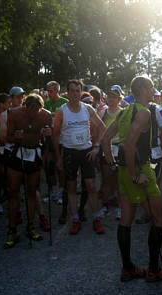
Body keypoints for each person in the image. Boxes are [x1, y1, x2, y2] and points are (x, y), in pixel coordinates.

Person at [101, 76, 162, 282]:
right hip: (140, 170)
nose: (154, 91)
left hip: (124, 170)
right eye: (151, 87)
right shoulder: (143, 112)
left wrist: (113, 164)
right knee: (159, 218)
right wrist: (136, 175)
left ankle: (128, 268)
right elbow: (130, 145)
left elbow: (105, 140)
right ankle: (153, 270)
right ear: (142, 89)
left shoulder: (124, 111)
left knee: (126, 219)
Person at [53, 79, 106, 235]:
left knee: (90, 185)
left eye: (78, 91)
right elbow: (55, 135)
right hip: (69, 152)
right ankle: (75, 219)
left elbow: (101, 127)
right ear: (67, 93)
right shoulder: (61, 111)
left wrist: (97, 147)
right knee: (71, 187)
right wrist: (58, 157)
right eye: (72, 91)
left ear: (81, 92)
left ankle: (96, 218)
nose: (75, 94)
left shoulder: (88, 109)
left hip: (86, 151)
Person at [4, 94, 52, 248]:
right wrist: (15, 136)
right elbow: (7, 137)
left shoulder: (45, 116)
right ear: (25, 107)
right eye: (30, 110)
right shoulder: (15, 114)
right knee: (13, 192)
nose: (33, 113)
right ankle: (12, 230)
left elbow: (48, 139)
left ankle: (30, 226)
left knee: (31, 192)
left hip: (34, 154)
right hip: (18, 154)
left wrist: (48, 135)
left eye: (36, 110)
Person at [98, 85, 123, 219]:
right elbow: (100, 131)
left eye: (114, 97)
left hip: (119, 148)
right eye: (109, 97)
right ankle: (105, 205)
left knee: (120, 181)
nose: (111, 99)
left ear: (119, 99)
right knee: (106, 179)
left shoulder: (123, 112)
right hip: (106, 148)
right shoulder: (103, 112)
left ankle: (121, 206)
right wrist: (97, 146)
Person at [44, 81, 68, 204]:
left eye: (51, 91)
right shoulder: (46, 103)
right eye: (47, 91)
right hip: (49, 139)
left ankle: (61, 191)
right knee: (50, 166)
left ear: (57, 91)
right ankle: (52, 190)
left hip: (61, 140)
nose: (48, 93)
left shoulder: (64, 102)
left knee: (61, 167)